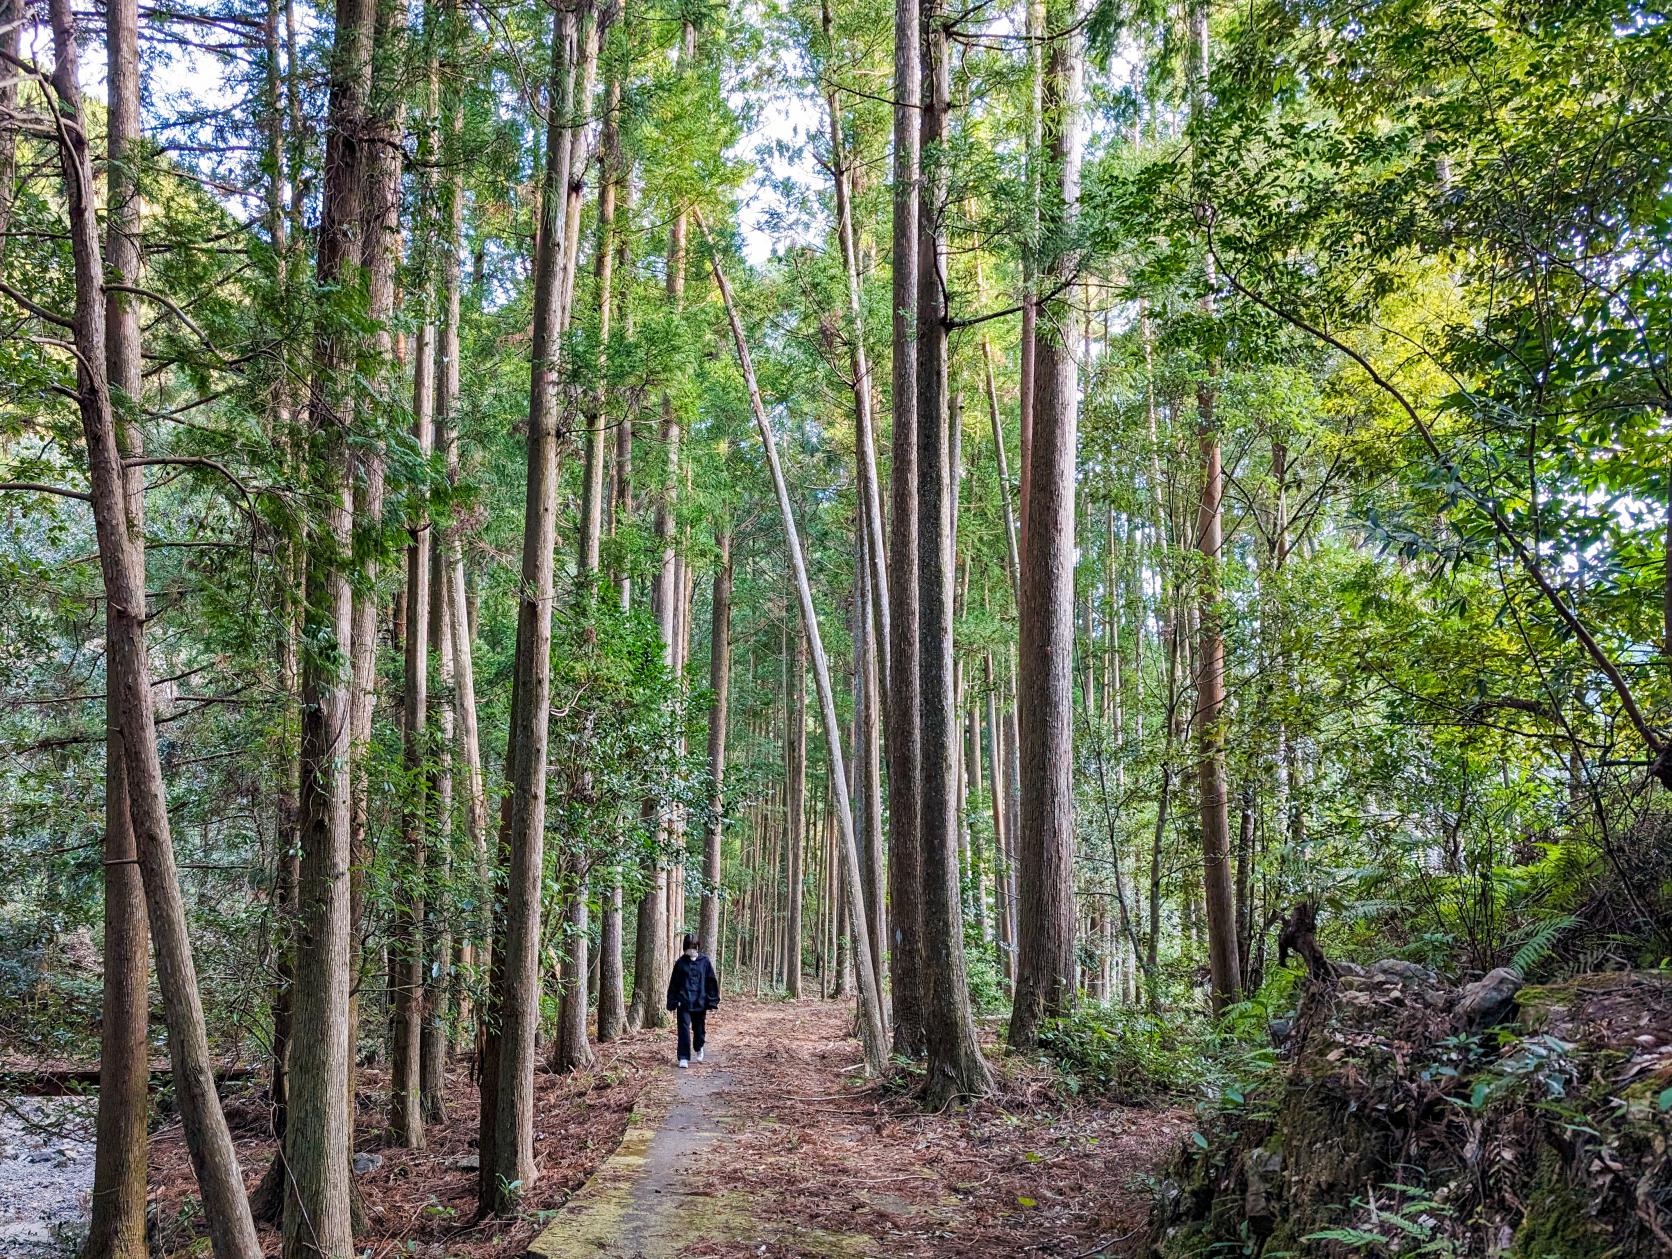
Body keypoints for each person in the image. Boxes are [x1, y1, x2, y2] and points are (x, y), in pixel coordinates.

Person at [665, 933, 719, 1068]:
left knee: (699, 1029)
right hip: (683, 1002)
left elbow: (711, 981)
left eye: (693, 947)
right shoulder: (680, 963)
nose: (691, 950)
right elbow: (674, 984)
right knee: (683, 1029)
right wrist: (672, 1001)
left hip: (700, 1002)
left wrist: (712, 1000)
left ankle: (699, 1046)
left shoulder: (705, 962)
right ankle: (683, 1057)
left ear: (697, 947)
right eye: (688, 947)